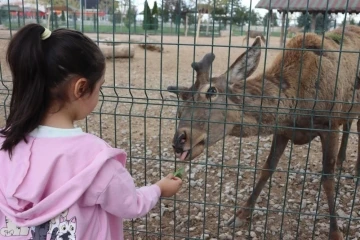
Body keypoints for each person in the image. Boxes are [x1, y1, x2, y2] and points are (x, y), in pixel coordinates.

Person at [0, 23, 182, 240]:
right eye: (100, 86)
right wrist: (159, 189)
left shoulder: (5, 143)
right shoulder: (95, 159)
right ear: (81, 88)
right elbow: (130, 204)